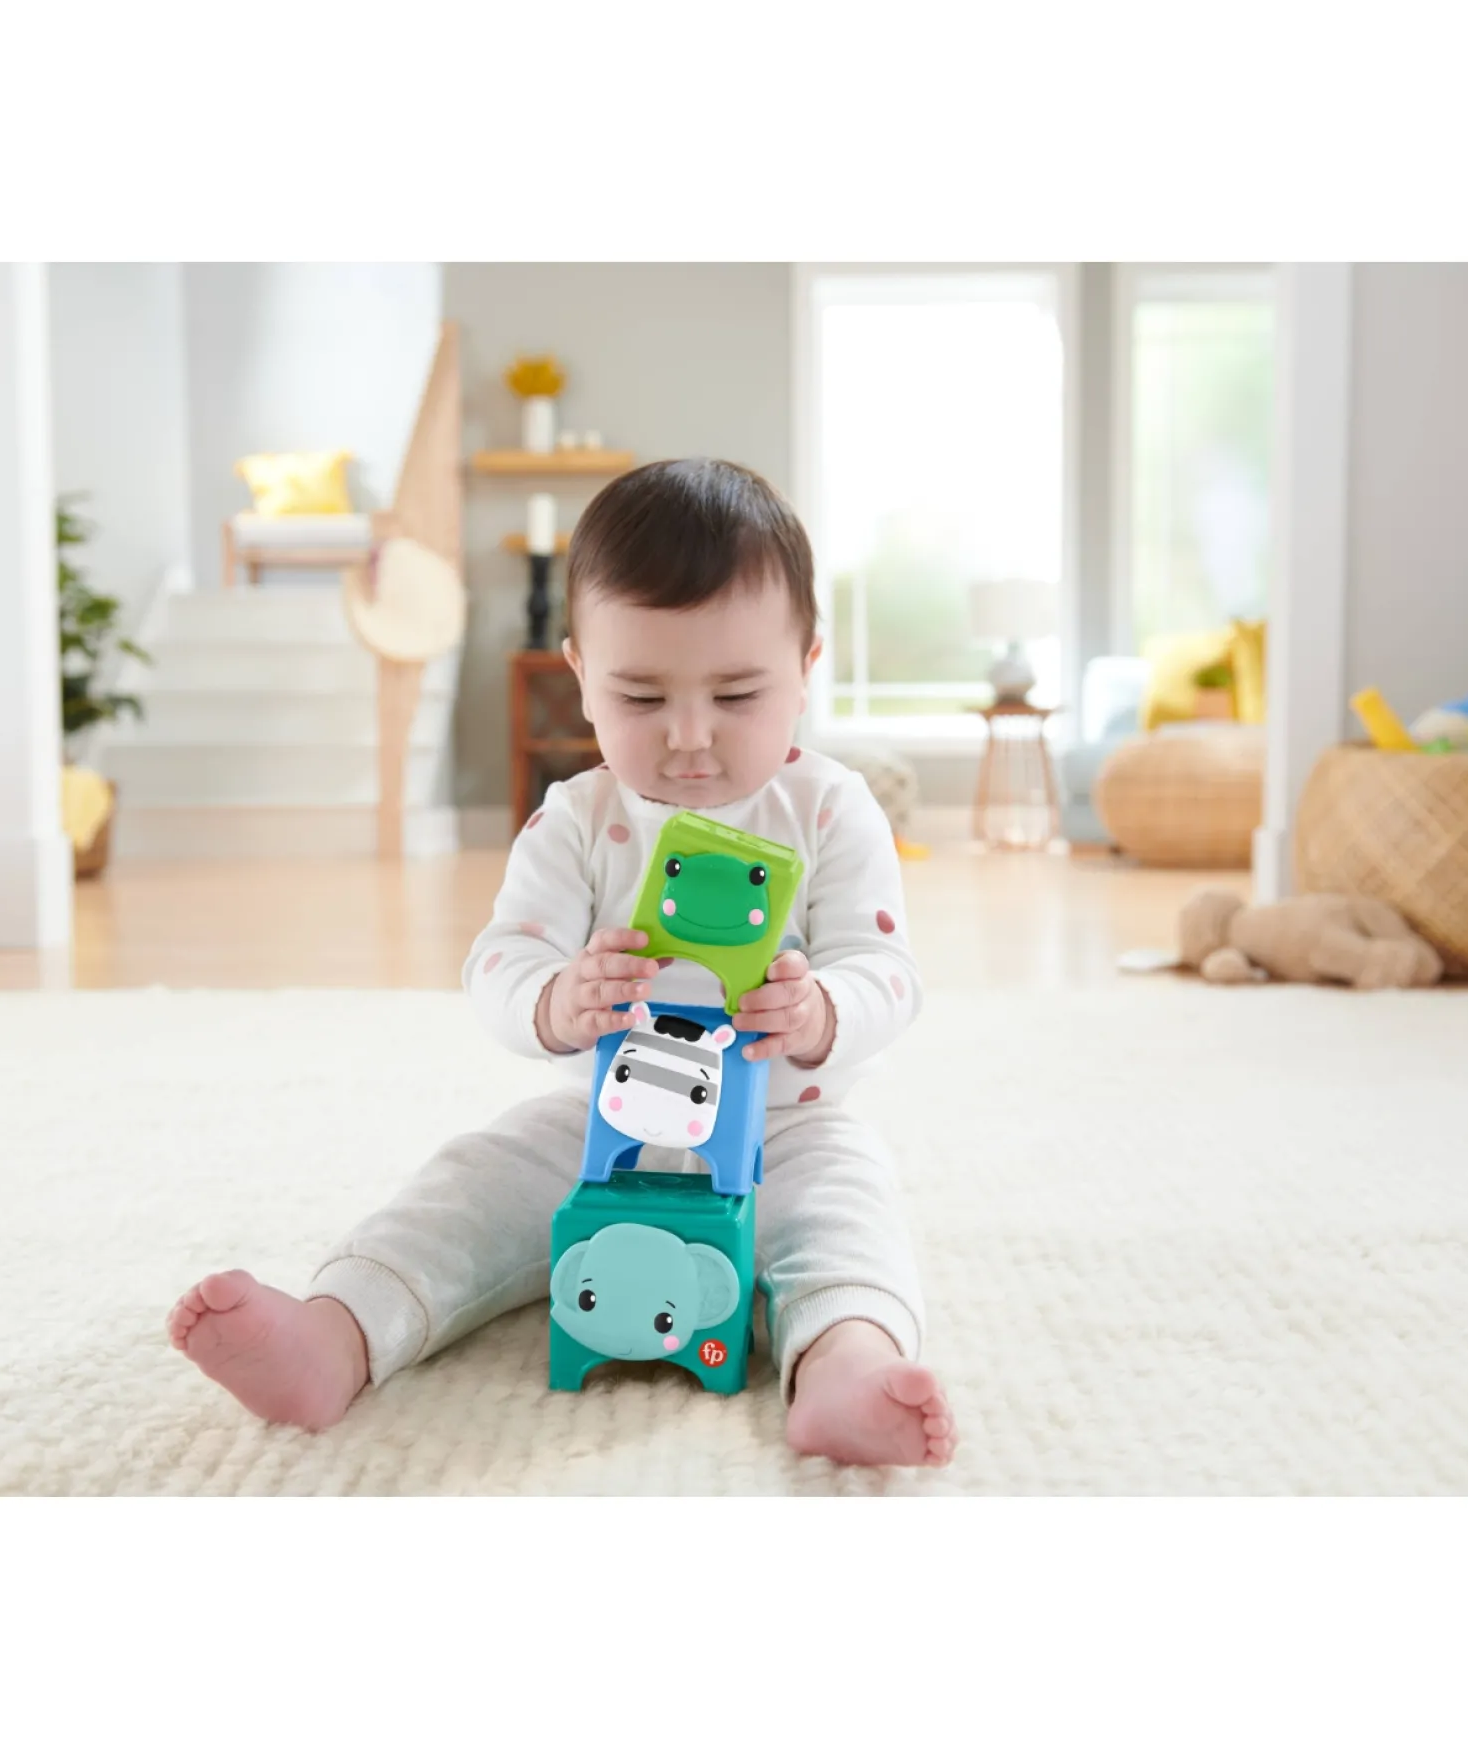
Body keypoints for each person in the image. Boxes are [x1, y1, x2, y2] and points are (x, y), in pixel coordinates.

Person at [169, 458, 956, 1468]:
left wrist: (821, 1011)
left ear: (805, 666)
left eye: (736, 693)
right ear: (580, 672)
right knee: (465, 1188)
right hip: (598, 1124)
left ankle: (844, 1368)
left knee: (851, 1214)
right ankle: (335, 1333)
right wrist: (553, 999)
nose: (688, 736)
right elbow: (500, 960)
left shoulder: (830, 808)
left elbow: (886, 970)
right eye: (639, 694)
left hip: (787, 1128)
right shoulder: (577, 817)